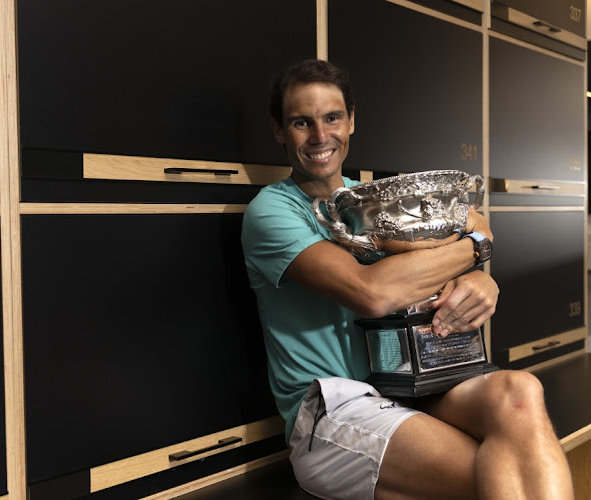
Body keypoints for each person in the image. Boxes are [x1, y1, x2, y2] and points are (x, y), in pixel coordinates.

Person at [241, 59, 573, 500]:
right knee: (507, 471)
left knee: (521, 391)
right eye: (302, 122)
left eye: (332, 118)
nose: (321, 137)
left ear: (352, 121)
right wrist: (475, 251)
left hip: (413, 384)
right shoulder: (272, 211)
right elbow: (372, 292)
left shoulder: (377, 197)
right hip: (335, 410)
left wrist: (478, 280)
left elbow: (473, 220)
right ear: (281, 131)